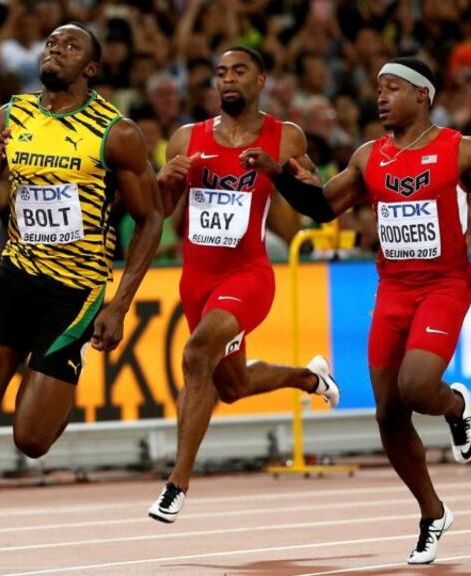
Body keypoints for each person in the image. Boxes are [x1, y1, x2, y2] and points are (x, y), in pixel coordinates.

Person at [242, 57, 471, 565]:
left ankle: (455, 407)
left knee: (416, 388)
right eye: (378, 89)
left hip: (444, 284)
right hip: (393, 289)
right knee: (388, 414)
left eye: (392, 88)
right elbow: (323, 205)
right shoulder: (370, 157)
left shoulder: (459, 149)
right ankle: (432, 514)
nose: (381, 97)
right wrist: (277, 174)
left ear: (423, 96)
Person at [0, 23, 163, 576]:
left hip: (75, 293)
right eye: (50, 43)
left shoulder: (116, 132)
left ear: (90, 69)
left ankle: (58, 375)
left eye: (70, 45)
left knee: (31, 439)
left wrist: (119, 303)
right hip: (14, 278)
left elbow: (151, 218)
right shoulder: (11, 116)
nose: (54, 49)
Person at [147, 47, 341, 525]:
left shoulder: (285, 136)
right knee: (230, 386)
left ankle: (176, 485)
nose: (227, 79)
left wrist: (301, 179)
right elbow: (158, 213)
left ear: (261, 81)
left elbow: (310, 198)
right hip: (197, 280)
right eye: (220, 73)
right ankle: (309, 378)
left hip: (248, 276)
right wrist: (163, 182)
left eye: (239, 71)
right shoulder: (186, 138)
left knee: (196, 354)